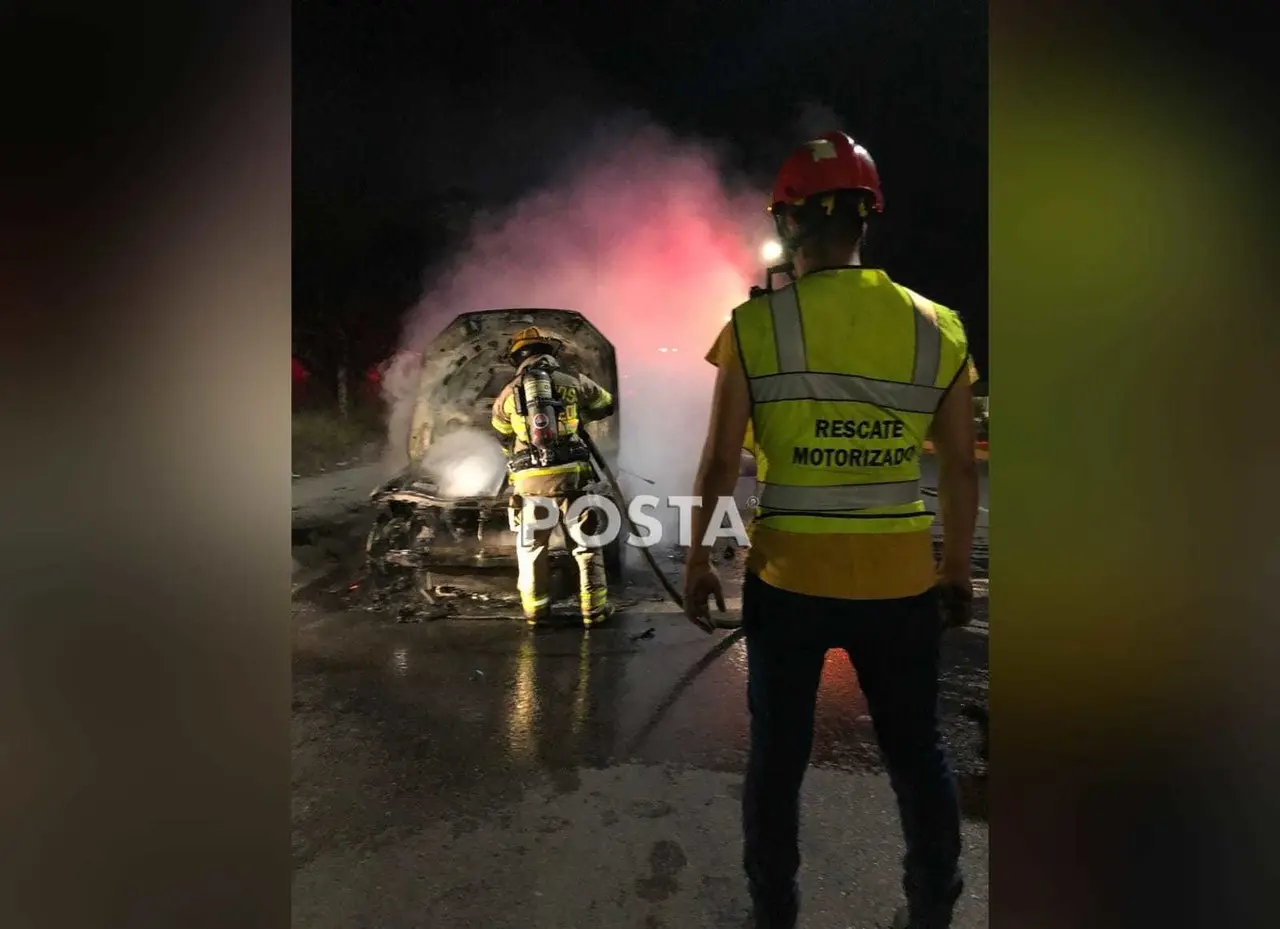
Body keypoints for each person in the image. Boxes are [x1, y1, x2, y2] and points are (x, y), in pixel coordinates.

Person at [682, 131, 981, 929]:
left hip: (788, 585)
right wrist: (955, 571)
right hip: (901, 587)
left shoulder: (755, 328)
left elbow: (718, 463)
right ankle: (932, 909)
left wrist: (697, 560)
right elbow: (959, 467)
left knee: (777, 764)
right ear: (866, 220)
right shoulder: (938, 327)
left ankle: (774, 912)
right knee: (918, 756)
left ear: (789, 223)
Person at [491, 326, 617, 627]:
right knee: (586, 546)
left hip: (529, 485)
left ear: (517, 358)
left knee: (532, 550)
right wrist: (576, 418)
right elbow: (606, 404)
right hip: (572, 480)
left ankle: (536, 612)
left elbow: (502, 432)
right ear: (549, 353)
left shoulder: (507, 394)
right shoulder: (572, 381)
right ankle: (593, 611)